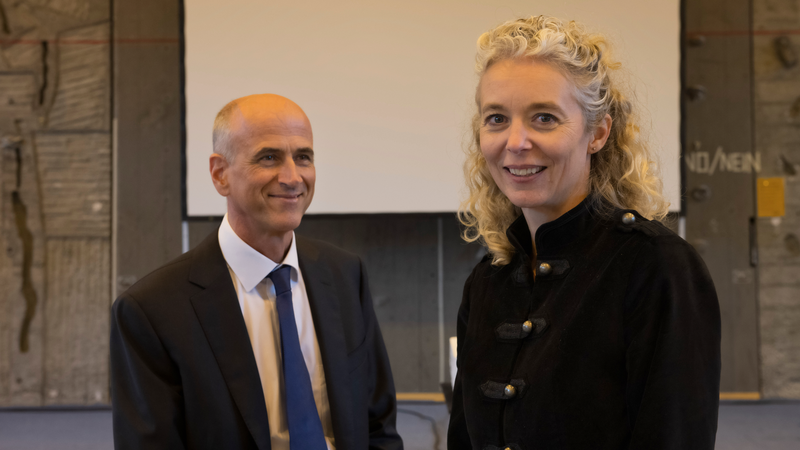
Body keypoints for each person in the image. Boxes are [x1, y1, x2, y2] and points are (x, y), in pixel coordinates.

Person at [447, 16, 721, 450]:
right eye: (496, 118)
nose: (515, 141)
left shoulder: (655, 267)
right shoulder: (487, 282)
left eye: (544, 118)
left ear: (598, 132)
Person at [110, 94, 403, 450]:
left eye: (303, 157)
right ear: (220, 174)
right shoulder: (152, 309)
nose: (293, 177)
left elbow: (378, 425)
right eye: (269, 157)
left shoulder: (345, 275)